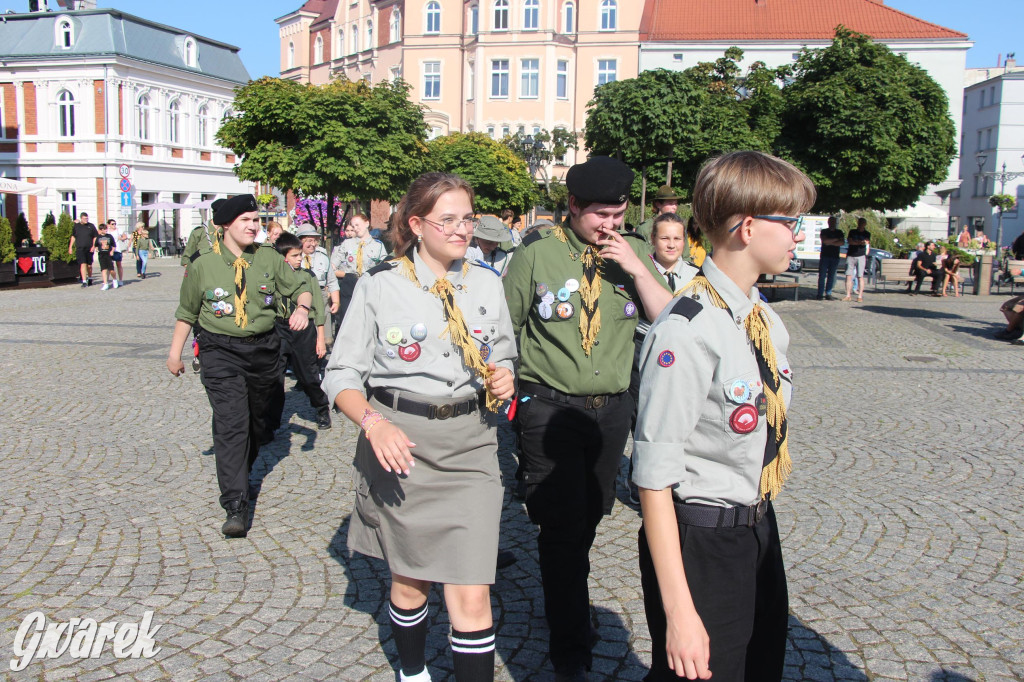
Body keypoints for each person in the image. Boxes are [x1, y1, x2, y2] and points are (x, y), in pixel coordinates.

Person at [322, 172, 517, 682]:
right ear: (416, 224)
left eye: (467, 218)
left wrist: (504, 376)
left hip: (471, 445)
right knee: (411, 584)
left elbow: (503, 353)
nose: (462, 230)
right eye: (447, 219)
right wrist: (373, 423)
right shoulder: (380, 285)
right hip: (401, 445)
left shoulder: (487, 283)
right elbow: (341, 374)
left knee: (472, 591)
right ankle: (412, 672)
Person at [634, 150, 811, 682]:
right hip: (702, 539)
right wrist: (680, 613)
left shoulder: (763, 320)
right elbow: (653, 479)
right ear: (749, 227)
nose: (797, 236)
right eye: (791, 223)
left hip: (755, 524)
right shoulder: (686, 329)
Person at [503, 156, 672, 681]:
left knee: (591, 514)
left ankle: (568, 593)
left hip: (611, 410)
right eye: (600, 215)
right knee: (560, 526)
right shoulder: (536, 253)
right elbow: (503, 329)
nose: (610, 225)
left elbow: (669, 322)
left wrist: (638, 266)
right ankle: (570, 645)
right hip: (549, 406)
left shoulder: (635, 253)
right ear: (572, 207)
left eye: (618, 214)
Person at [166, 194, 315, 538]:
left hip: (264, 350)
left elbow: (301, 288)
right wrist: (175, 353)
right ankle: (235, 503)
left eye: (256, 219)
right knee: (231, 423)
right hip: (220, 350)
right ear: (226, 225)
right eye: (246, 220)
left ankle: (244, 461)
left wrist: (302, 309)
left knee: (259, 423)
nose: (254, 226)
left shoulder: (267, 258)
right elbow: (187, 311)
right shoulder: (203, 264)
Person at [627, 212, 696, 504]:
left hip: (680, 353)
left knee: (670, 414)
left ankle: (669, 479)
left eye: (677, 238)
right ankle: (639, 478)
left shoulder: (696, 276)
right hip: (641, 346)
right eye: (664, 238)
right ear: (652, 240)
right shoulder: (638, 270)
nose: (671, 244)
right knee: (640, 416)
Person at [266, 232, 332, 432]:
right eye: (295, 256)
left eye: (300, 256)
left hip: (304, 331)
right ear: (283, 257)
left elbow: (319, 309)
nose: (299, 259)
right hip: (279, 328)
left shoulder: (307, 276)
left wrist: (320, 339)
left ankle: (321, 407)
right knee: (274, 378)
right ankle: (272, 421)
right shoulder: (273, 276)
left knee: (308, 375)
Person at [331, 213, 388, 331]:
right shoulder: (347, 244)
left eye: (357, 225)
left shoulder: (378, 246)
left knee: (367, 323)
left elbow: (385, 268)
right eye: (353, 226)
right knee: (347, 323)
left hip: (369, 286)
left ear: (367, 223)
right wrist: (346, 275)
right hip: (349, 285)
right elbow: (332, 267)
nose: (355, 228)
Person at [295, 224, 340, 345]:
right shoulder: (294, 258)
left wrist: (335, 301)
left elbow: (332, 281)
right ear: (300, 241)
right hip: (301, 298)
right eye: (309, 240)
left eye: (315, 240)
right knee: (305, 337)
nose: (313, 244)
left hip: (321, 298)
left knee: (325, 338)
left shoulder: (323, 257)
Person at [816, 215, 844, 300]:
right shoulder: (824, 231)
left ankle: (828, 293)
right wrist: (835, 240)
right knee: (822, 275)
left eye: (834, 222)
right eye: (831, 222)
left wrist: (830, 241)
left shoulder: (839, 232)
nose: (832, 223)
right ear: (828, 222)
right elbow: (825, 241)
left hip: (835, 256)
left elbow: (841, 243)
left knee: (831, 276)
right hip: (825, 256)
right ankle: (820, 294)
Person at [843, 217, 870, 302]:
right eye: (859, 222)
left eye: (862, 223)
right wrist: (859, 242)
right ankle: (848, 295)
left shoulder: (867, 233)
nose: (860, 224)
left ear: (865, 224)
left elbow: (866, 242)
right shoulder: (852, 232)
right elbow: (850, 241)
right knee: (848, 275)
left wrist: (857, 242)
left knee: (860, 276)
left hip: (861, 255)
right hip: (851, 255)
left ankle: (860, 296)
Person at [68, 212, 98, 287]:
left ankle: (90, 278)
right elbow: (73, 236)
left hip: (89, 248)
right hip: (80, 248)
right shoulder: (76, 226)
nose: (86, 220)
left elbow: (95, 237)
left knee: (89, 265)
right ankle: (84, 281)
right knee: (83, 263)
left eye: (87, 218)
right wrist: (70, 247)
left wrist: (94, 246)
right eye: (85, 218)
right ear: (81, 218)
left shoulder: (91, 226)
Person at [94, 222, 118, 290]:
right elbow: (96, 245)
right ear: (101, 230)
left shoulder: (109, 236)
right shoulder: (98, 237)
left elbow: (113, 245)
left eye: (106, 229)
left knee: (111, 270)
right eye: (104, 229)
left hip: (108, 254)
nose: (106, 230)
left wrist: (112, 251)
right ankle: (105, 283)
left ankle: (114, 279)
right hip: (101, 255)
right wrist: (96, 249)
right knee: (103, 269)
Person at [106, 218, 126, 287]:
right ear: (108, 225)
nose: (114, 225)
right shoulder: (107, 231)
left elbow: (125, 236)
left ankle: (120, 280)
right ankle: (107, 280)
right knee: (109, 266)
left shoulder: (118, 230)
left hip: (117, 249)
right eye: (112, 224)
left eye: (115, 224)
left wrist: (122, 238)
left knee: (119, 264)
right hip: (109, 250)